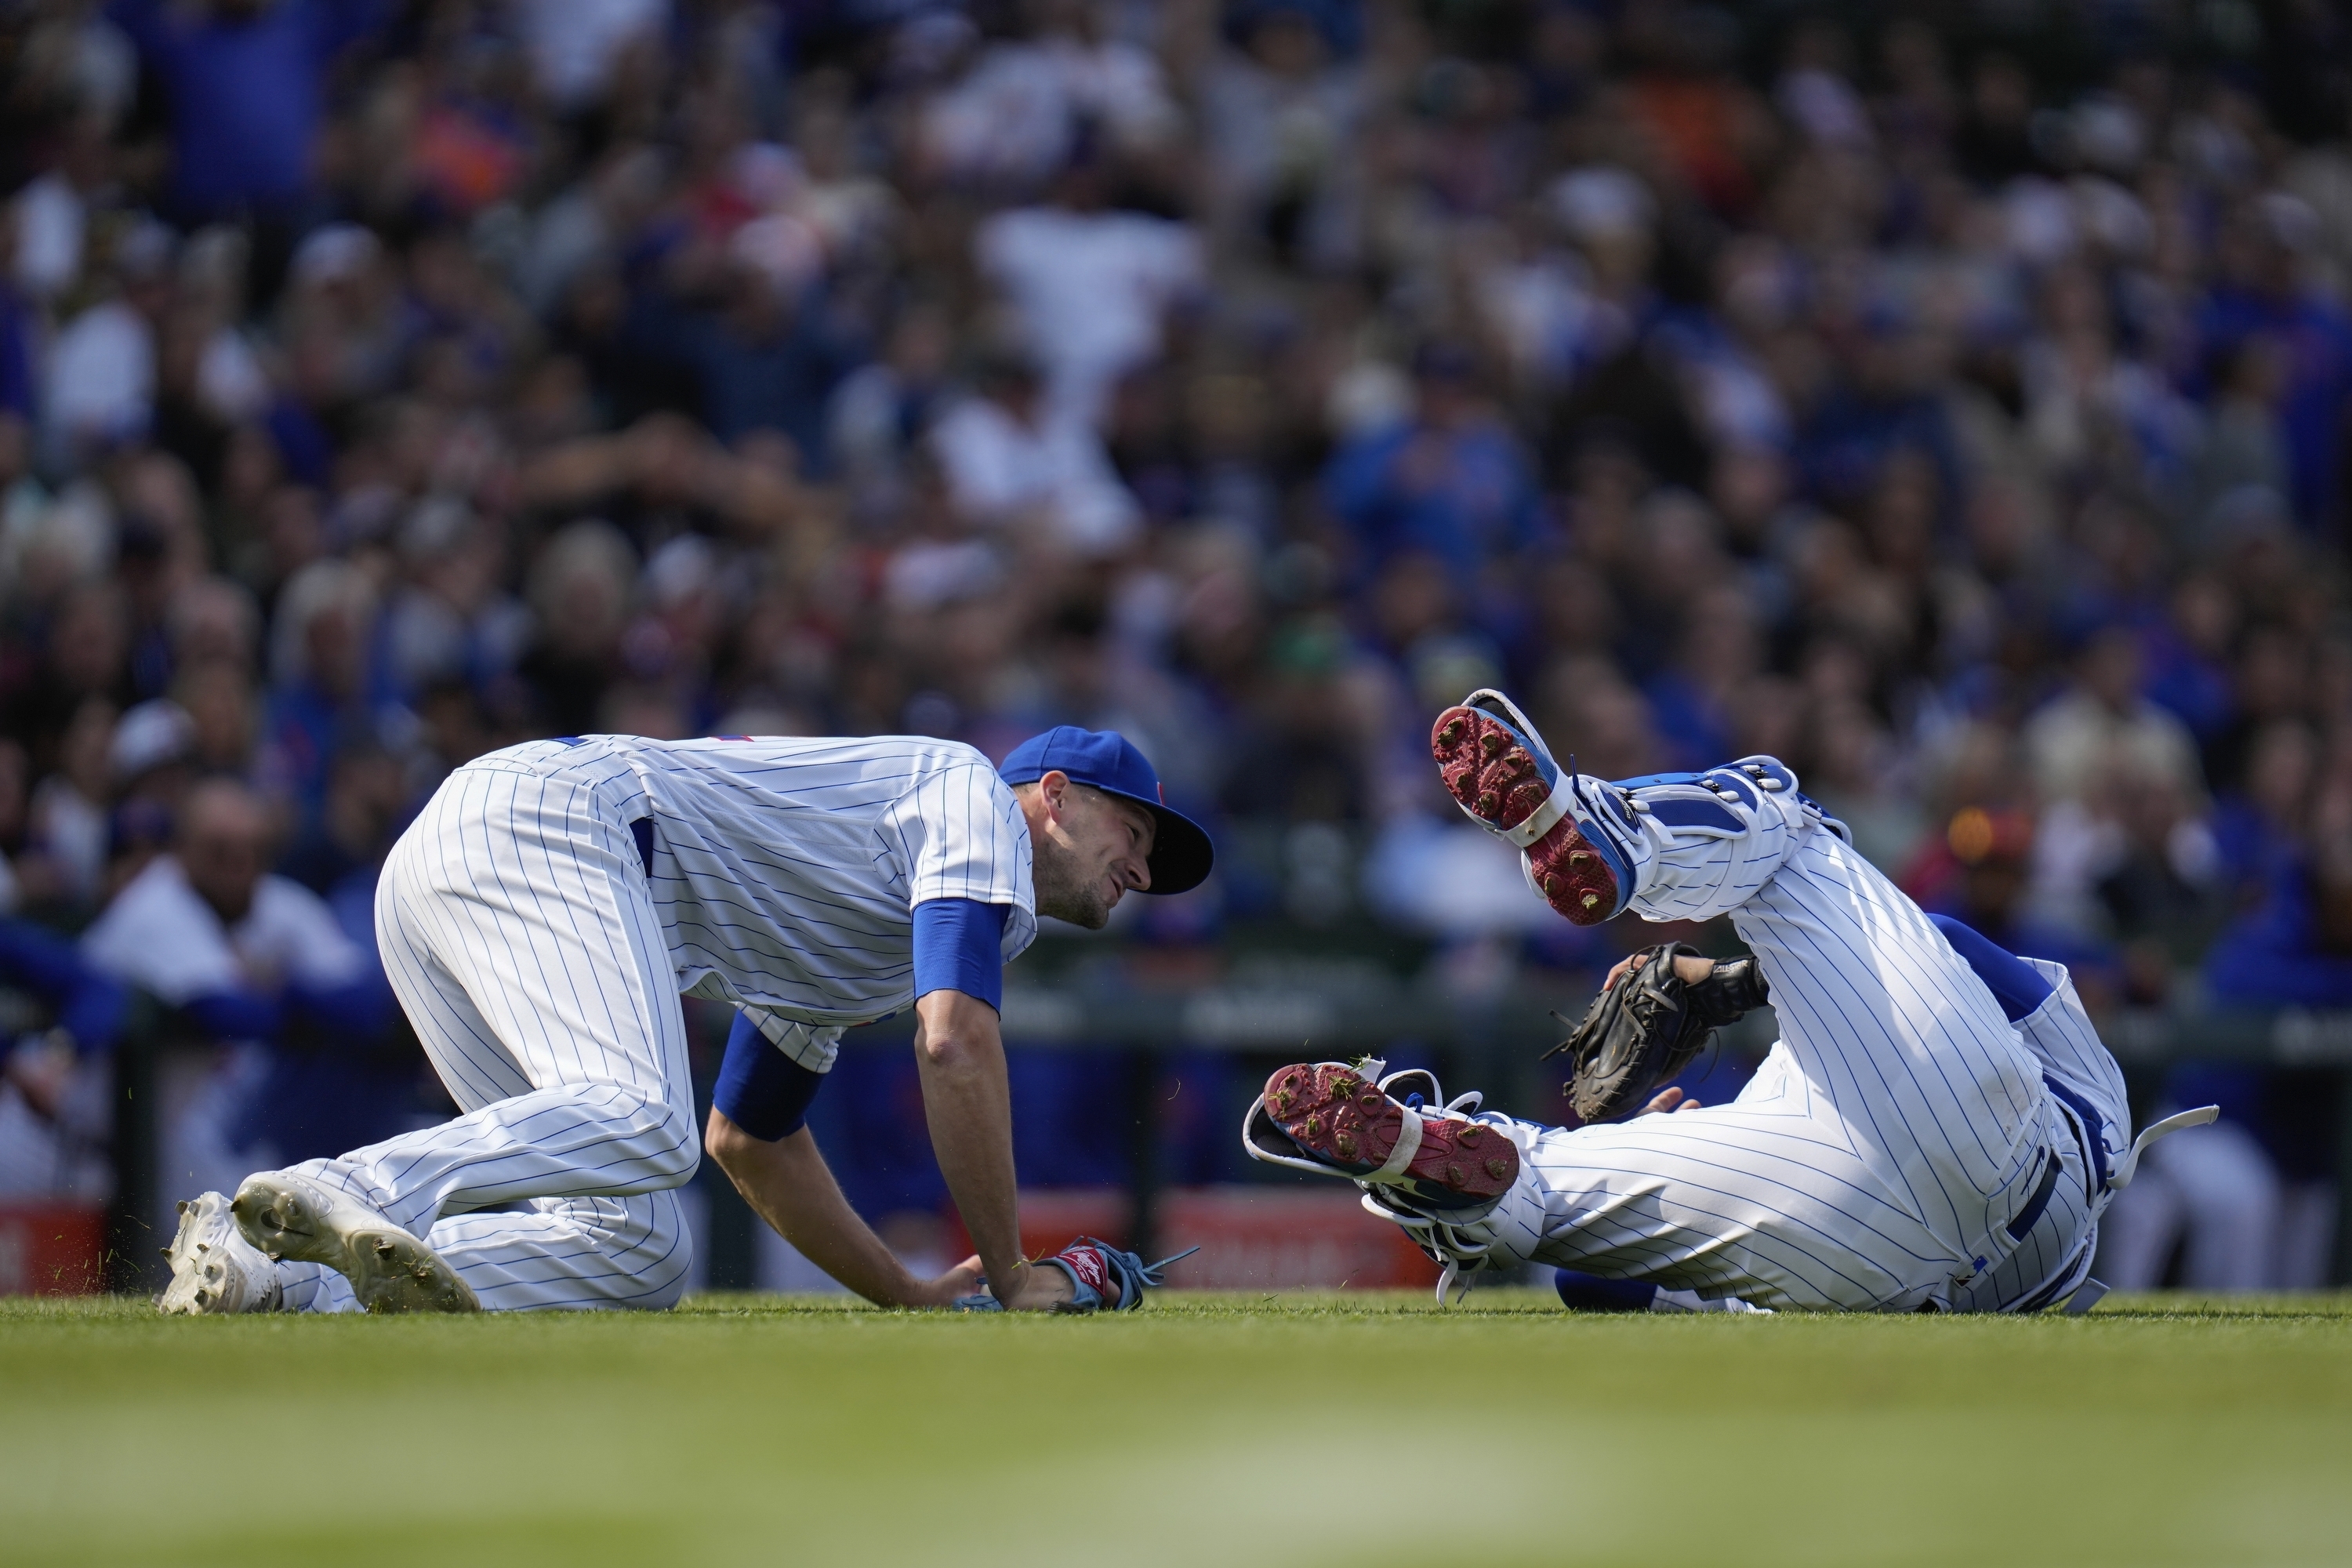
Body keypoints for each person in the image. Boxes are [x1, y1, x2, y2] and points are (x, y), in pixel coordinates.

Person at [158, 725, 1210, 1315]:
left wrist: (908, 1291)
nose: (1143, 870)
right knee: (639, 1118)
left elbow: (751, 1138)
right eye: (1135, 830)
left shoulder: (875, 916)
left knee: (639, 1248)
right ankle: (330, 1186)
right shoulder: (977, 799)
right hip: (553, 821)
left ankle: (270, 1279)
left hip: (462, 859)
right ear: (1056, 797)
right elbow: (955, 1041)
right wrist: (1016, 1272)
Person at [1246, 691, 2212, 1313]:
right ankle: (1601, 825)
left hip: (1849, 1261)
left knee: (1544, 1185)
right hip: (2021, 1199)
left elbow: (1592, 1279)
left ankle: (1443, 1168)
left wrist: (1631, 1126)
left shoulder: (1779, 1102)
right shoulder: (2041, 1065)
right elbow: (1954, 952)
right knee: (1786, 825)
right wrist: (1729, 983)